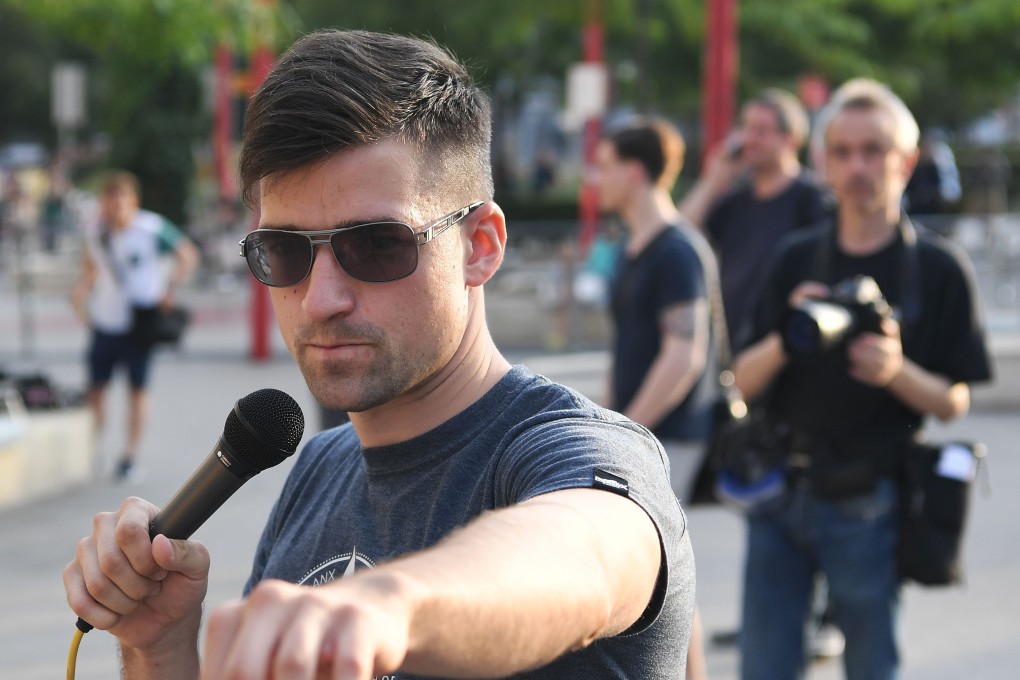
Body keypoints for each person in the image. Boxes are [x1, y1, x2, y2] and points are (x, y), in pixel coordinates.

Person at [63, 30, 696, 679]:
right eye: (284, 251)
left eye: (377, 246)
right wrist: (158, 648)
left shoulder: (572, 451)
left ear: (480, 245)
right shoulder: (319, 469)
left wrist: (386, 606)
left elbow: (589, 553)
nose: (321, 299)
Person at [732, 78, 993, 680]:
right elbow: (740, 382)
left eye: (874, 150)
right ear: (822, 163)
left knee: (874, 667)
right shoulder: (796, 259)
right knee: (763, 667)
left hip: (871, 500)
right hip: (781, 492)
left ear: (906, 161)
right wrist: (789, 333)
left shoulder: (937, 268)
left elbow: (954, 401)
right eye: (843, 152)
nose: (859, 167)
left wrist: (896, 372)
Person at [595, 117, 715, 680]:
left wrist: (628, 431)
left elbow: (684, 354)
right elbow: (630, 346)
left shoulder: (676, 251)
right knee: (665, 565)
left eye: (605, 164)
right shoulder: (634, 248)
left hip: (673, 433)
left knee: (669, 566)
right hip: (639, 429)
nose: (595, 177)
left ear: (636, 171)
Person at [69, 171, 198, 482]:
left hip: (138, 324)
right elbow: (90, 271)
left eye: (121, 200)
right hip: (105, 322)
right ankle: (93, 450)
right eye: (109, 200)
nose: (115, 207)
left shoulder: (151, 228)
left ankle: (129, 456)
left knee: (137, 391)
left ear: (133, 202)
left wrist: (170, 287)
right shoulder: (96, 233)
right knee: (96, 389)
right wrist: (81, 296)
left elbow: (187, 253)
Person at [680, 88, 831, 343]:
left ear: (790, 139)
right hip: (732, 342)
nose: (748, 139)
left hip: (785, 342)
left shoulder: (813, 200)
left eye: (761, 130)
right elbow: (681, 236)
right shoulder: (735, 200)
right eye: (745, 127)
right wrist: (712, 180)